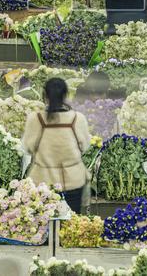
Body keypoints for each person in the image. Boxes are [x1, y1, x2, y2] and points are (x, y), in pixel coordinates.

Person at [21, 78, 91, 213]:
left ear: (45, 96)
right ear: (66, 95)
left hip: (43, 182)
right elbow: (85, 146)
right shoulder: (77, 118)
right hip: (73, 181)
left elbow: (27, 147)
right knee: (70, 225)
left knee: (42, 225)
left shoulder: (36, 119)